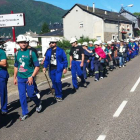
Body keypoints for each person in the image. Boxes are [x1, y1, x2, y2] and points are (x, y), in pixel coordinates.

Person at [14, 35, 42, 121]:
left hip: (29, 77)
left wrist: (32, 77)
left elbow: (37, 66)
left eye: (25, 42)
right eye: (21, 42)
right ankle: (25, 113)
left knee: (31, 94)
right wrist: (14, 77)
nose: (23, 44)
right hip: (21, 78)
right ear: (18, 43)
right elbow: (16, 66)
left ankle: (38, 103)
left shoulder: (31, 53)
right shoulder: (17, 53)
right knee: (22, 96)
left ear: (27, 43)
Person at [43, 37, 68, 102]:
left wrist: (65, 67)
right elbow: (46, 60)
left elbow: (65, 59)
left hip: (59, 68)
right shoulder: (48, 51)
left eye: (53, 43)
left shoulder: (61, 50)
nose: (51, 44)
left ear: (55, 43)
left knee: (57, 81)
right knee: (54, 82)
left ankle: (59, 95)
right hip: (51, 69)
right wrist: (45, 67)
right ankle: (57, 93)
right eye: (50, 43)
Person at [0, 40, 9, 115]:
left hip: (1, 73)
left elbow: (4, 63)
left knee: (2, 92)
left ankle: (4, 108)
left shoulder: (1, 52)